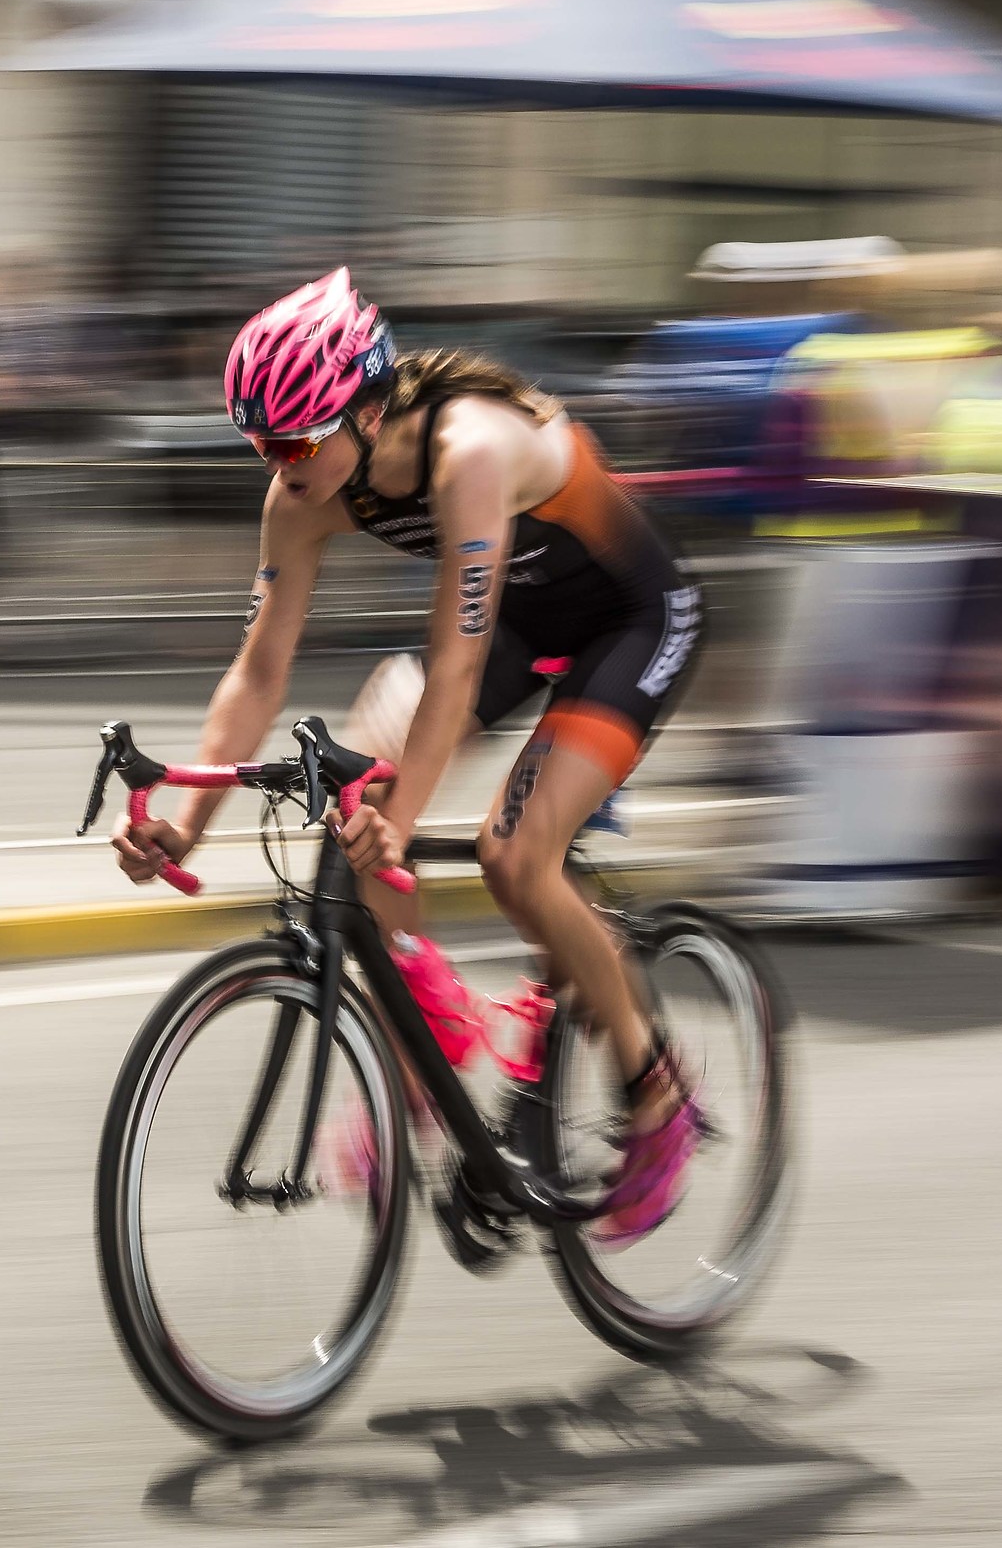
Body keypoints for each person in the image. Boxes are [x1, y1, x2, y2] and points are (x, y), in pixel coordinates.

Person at [110, 268, 704, 1245]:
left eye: (298, 440)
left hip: (630, 620)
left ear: (369, 409)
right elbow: (258, 672)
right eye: (261, 443)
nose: (281, 463)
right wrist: (187, 822)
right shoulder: (301, 495)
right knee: (358, 780)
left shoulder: (470, 450)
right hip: (520, 621)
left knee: (515, 856)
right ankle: (424, 1039)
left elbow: (455, 666)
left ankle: (655, 1092)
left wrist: (404, 817)